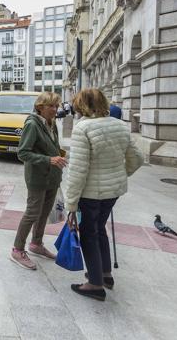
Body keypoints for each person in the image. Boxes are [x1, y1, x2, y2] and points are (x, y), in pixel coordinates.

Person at [65, 88, 143, 301]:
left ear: (81, 104)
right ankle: (105, 274)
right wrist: (119, 174)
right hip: (113, 191)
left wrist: (70, 203)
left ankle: (95, 284)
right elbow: (137, 158)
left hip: (91, 193)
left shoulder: (83, 128)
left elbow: (78, 170)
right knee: (99, 229)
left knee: (88, 234)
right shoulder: (120, 125)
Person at [10, 92, 66, 270]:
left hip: (53, 176)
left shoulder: (51, 122)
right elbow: (23, 153)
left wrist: (58, 154)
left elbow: (52, 146)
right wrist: (49, 159)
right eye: (51, 106)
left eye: (57, 106)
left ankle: (36, 244)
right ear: (40, 107)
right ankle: (17, 250)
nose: (55, 109)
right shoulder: (32, 124)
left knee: (44, 212)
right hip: (37, 176)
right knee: (32, 213)